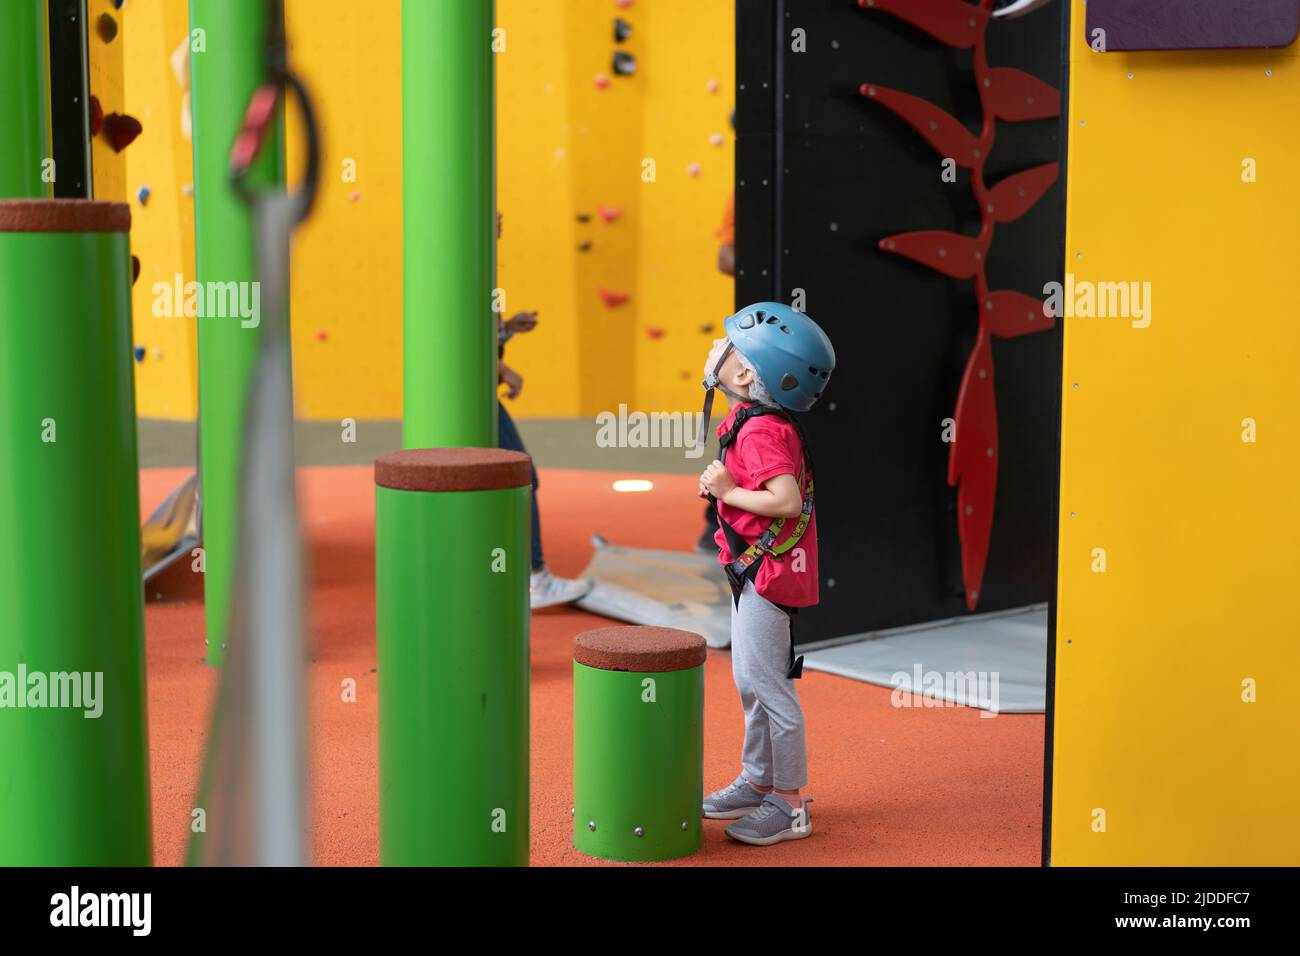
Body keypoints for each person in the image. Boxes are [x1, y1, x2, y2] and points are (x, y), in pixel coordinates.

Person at [696, 301, 835, 845]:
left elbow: (786, 501)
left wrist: (729, 492)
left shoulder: (762, 431)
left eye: (725, 345)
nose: (714, 349)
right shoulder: (749, 421)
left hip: (767, 576)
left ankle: (790, 804)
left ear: (747, 373)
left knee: (769, 688)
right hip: (754, 570)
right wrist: (724, 489)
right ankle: (758, 781)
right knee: (749, 682)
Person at [496, 212, 592, 609]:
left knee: (508, 478)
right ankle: (535, 577)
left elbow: (473, 335)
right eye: (493, 211)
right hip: (479, 397)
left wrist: (507, 334)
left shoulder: (475, 266)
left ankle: (516, 572)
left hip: (482, 392)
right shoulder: (470, 269)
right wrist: (499, 364)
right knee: (521, 474)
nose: (502, 218)